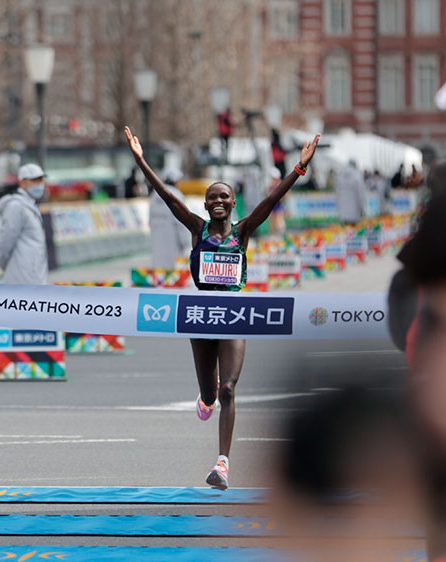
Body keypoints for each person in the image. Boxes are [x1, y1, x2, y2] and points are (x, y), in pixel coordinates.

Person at [126, 125, 320, 489]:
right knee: (211, 394)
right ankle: (206, 395)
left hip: (234, 315)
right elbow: (167, 197)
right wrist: (140, 160)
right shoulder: (197, 229)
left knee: (229, 390)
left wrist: (299, 168)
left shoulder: (243, 231)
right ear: (205, 204)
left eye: (224, 197)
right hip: (201, 316)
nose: (217, 200)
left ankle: (222, 465)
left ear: (233, 204)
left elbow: (272, 200)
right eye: (212, 196)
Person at [0, 163, 48, 285]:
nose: (39, 184)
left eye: (41, 180)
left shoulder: (29, 205)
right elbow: (6, 239)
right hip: (23, 275)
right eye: (34, 180)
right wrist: (1, 264)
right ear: (22, 183)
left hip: (34, 273)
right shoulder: (16, 206)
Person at [149, 168, 190, 270]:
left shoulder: (154, 195)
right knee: (173, 274)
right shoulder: (177, 196)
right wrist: (186, 243)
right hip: (174, 243)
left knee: (159, 271)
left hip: (157, 241)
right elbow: (182, 222)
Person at [335, 159, 367, 226]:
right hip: (354, 212)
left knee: (345, 234)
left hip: (343, 213)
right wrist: (363, 209)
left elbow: (337, 194)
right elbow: (361, 195)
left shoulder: (340, 176)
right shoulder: (357, 176)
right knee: (353, 233)